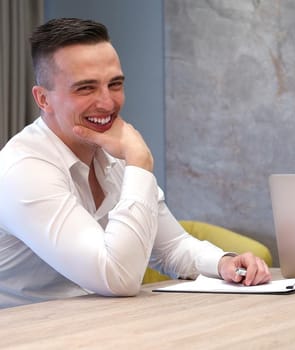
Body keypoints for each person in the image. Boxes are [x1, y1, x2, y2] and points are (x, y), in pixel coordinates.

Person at [0, 18, 271, 308]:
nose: (107, 103)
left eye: (114, 84)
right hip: (27, 332)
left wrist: (224, 263)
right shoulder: (23, 170)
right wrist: (139, 163)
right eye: (86, 88)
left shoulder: (111, 150)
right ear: (43, 99)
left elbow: (170, 247)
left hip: (93, 322)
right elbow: (117, 278)